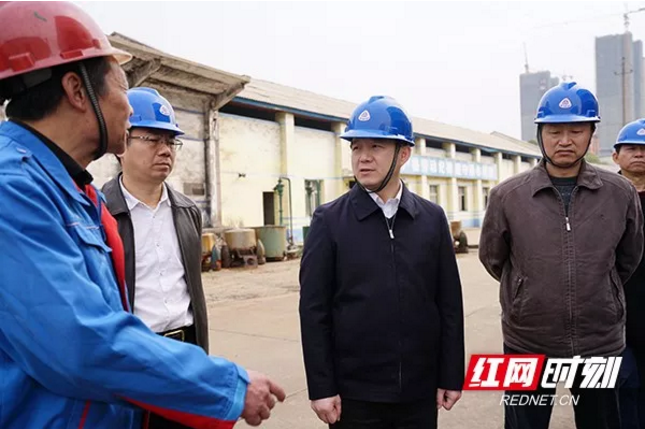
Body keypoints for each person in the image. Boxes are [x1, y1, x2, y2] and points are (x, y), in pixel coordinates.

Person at [0, 2, 284, 428]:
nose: (129, 109)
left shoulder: (72, 191)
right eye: (121, 87)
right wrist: (227, 385)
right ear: (77, 90)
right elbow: (81, 342)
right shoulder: (13, 190)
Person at [479, 81, 644, 429]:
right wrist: (527, 291)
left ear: (591, 135)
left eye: (576, 131)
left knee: (601, 422)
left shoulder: (620, 193)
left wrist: (601, 289)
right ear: (540, 134)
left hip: (599, 340)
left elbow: (628, 257)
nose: (564, 140)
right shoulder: (507, 196)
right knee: (524, 424)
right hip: (526, 339)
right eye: (554, 131)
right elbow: (494, 259)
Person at [299, 95, 465, 429]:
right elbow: (314, 311)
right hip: (355, 396)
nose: (363, 158)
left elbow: (449, 304)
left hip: (419, 393)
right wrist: (322, 387)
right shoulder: (329, 221)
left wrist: (450, 374)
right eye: (356, 148)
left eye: (376, 146)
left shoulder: (431, 219)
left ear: (403, 154)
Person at [102, 87, 210, 429]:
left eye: (171, 141)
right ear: (122, 143)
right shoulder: (98, 213)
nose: (165, 150)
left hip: (185, 355)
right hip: (130, 359)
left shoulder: (187, 211)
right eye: (152, 139)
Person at [612, 119, 645, 429]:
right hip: (613, 317)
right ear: (616, 156)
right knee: (622, 389)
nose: (640, 154)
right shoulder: (602, 197)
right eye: (632, 148)